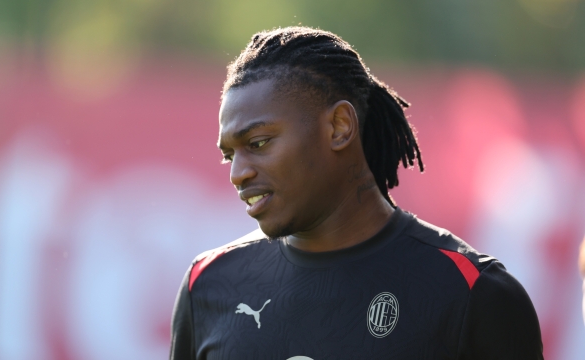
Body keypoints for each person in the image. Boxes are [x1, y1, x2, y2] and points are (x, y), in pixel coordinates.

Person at [170, 26, 543, 359]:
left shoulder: (471, 293)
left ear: (339, 127)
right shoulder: (206, 286)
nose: (238, 173)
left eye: (259, 142)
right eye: (229, 155)